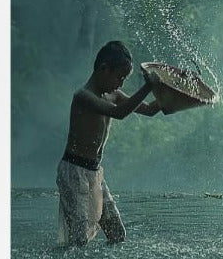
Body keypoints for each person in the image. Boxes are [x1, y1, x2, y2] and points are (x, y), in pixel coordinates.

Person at [56, 40, 161, 247]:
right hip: (74, 171)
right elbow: (118, 113)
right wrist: (149, 86)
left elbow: (149, 109)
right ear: (103, 69)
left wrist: (174, 92)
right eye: (119, 77)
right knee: (78, 240)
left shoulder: (113, 95)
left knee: (117, 233)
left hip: (94, 173)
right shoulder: (83, 97)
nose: (120, 84)